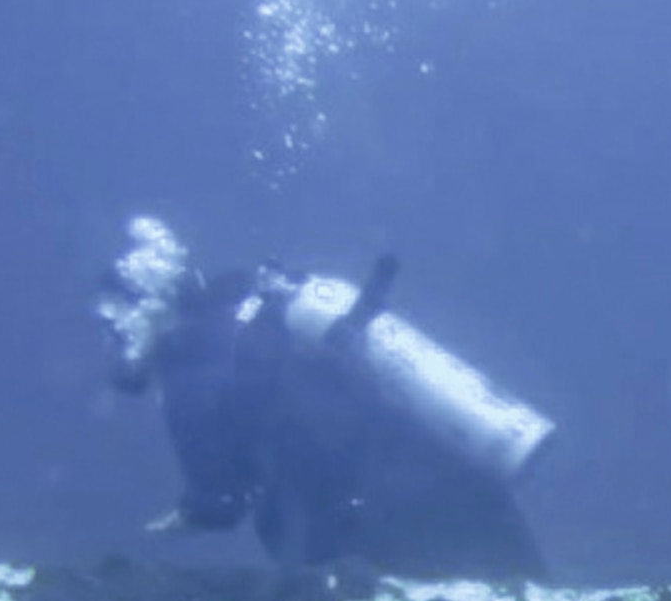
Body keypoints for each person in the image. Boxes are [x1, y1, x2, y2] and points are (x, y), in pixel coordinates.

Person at [97, 215, 553, 580]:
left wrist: (178, 519)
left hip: (378, 528)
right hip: (457, 479)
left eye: (113, 326)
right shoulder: (274, 310)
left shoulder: (187, 372)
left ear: (140, 317)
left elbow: (220, 503)